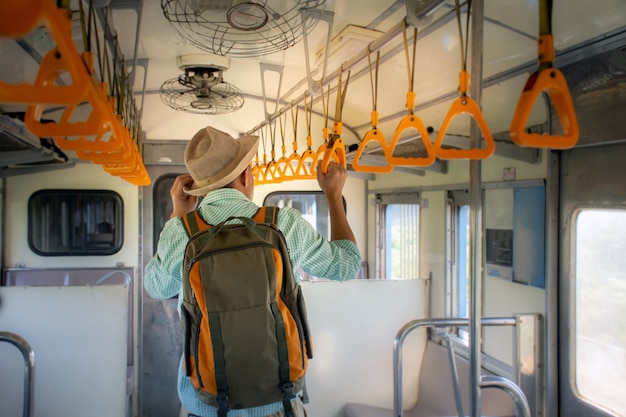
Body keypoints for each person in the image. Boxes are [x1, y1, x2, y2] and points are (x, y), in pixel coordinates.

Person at [144, 125, 362, 417]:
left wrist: (177, 216)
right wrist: (334, 196)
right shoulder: (284, 224)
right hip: (276, 401)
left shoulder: (180, 232)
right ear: (245, 175)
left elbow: (156, 288)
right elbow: (346, 265)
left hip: (206, 402)